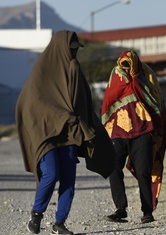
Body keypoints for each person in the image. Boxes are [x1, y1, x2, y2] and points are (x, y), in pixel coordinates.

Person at [16, 30, 116, 235]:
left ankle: (59, 223)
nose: (74, 53)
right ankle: (36, 215)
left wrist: (87, 128)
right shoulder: (41, 71)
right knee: (51, 173)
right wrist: (61, 115)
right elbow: (32, 103)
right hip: (47, 133)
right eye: (71, 49)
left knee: (69, 178)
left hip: (70, 131)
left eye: (76, 50)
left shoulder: (74, 68)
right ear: (61, 47)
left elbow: (83, 103)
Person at [101, 49, 166, 224]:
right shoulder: (115, 76)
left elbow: (156, 101)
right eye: (123, 64)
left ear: (135, 64)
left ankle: (147, 211)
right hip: (118, 132)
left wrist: (136, 81)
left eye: (128, 64)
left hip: (143, 131)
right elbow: (109, 99)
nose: (125, 68)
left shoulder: (145, 76)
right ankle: (120, 209)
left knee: (144, 171)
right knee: (113, 167)